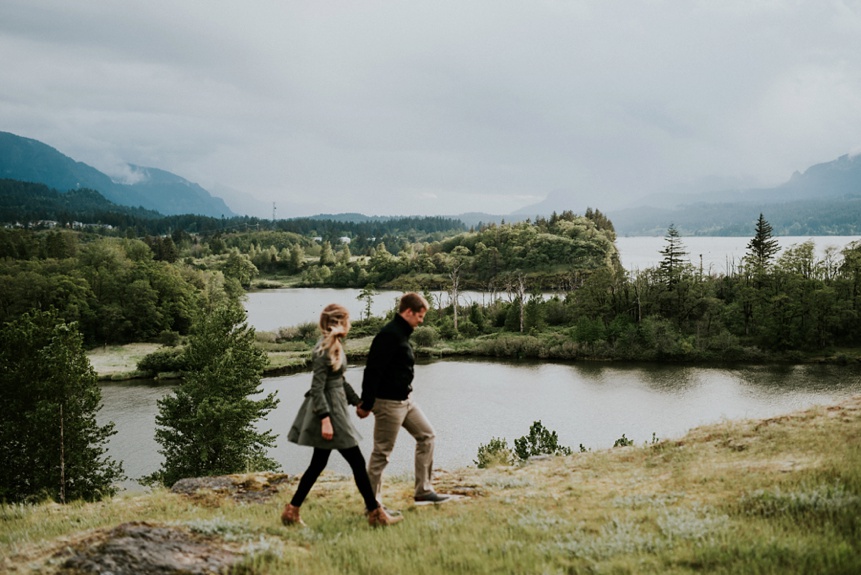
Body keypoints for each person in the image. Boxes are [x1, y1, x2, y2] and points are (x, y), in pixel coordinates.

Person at [281, 303, 402, 527]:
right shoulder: (323, 350)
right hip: (330, 412)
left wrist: (360, 402)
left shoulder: (334, 345)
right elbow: (317, 389)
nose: (350, 324)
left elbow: (339, 381)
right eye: (347, 320)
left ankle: (292, 511)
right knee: (356, 461)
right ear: (338, 323)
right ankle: (375, 513)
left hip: (336, 408)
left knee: (318, 464)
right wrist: (326, 420)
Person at [357, 292, 450, 504]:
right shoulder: (389, 334)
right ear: (408, 312)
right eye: (420, 316)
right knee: (382, 454)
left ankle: (423, 490)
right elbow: (373, 370)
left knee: (427, 436)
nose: (421, 321)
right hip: (388, 403)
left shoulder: (402, 333)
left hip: (406, 401)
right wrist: (367, 403)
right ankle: (373, 506)